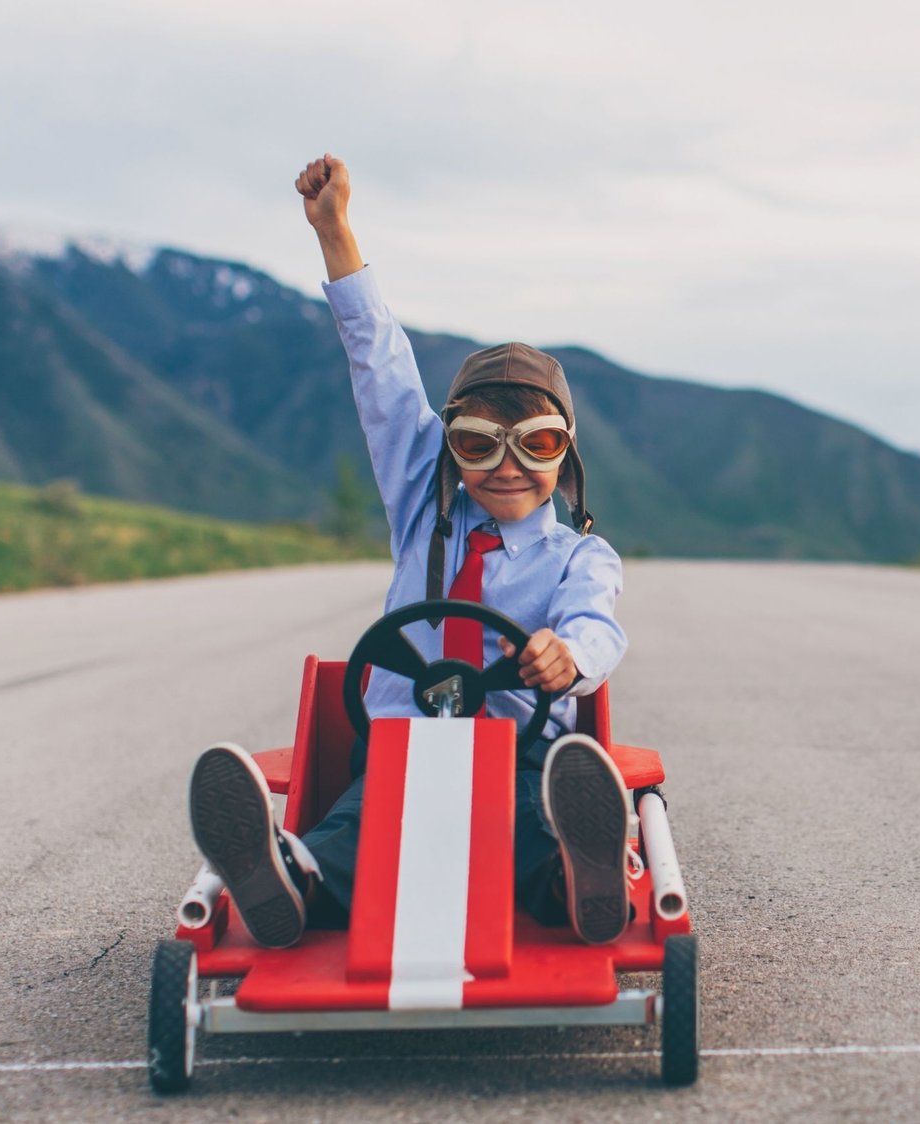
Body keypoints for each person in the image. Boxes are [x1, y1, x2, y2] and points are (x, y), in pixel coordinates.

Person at [185, 153, 632, 950]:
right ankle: (288, 879)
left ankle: (579, 874)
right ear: (451, 450)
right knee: (358, 828)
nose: (506, 468)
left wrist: (568, 656)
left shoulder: (578, 558)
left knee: (529, 824)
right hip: (399, 750)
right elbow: (379, 363)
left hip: (522, 755)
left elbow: (598, 627)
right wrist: (336, 233)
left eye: (534, 445)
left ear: (565, 455)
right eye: (477, 444)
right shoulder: (425, 506)